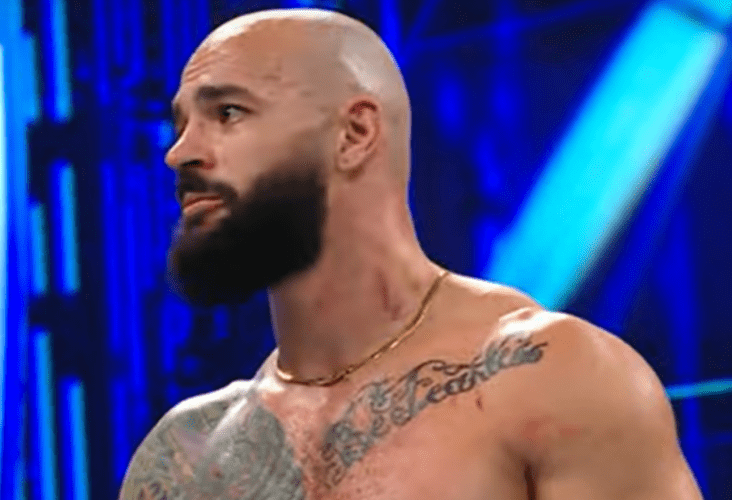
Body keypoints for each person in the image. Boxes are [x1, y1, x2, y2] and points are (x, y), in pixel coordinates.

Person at [119, 8, 703, 500]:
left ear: (354, 134)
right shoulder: (185, 456)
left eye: (227, 113)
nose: (180, 152)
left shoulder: (548, 377)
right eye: (181, 123)